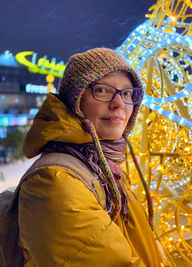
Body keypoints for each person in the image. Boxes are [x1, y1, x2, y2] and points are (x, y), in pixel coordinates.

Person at [18, 48, 163, 266]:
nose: (119, 104)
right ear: (75, 101)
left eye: (126, 94)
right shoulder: (56, 181)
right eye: (103, 91)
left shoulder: (103, 166)